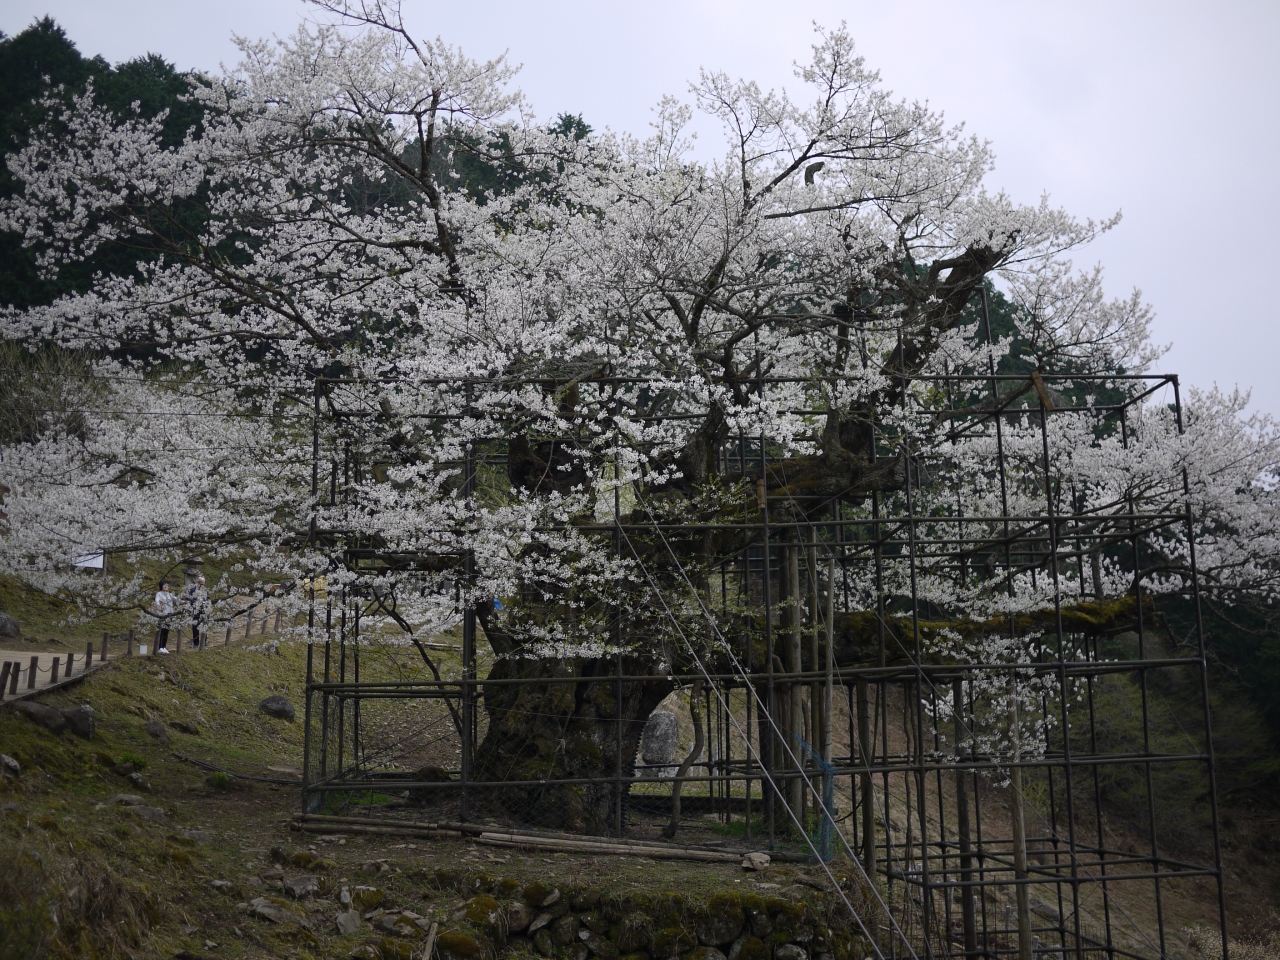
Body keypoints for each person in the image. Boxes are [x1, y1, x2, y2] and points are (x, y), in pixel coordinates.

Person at [184, 575, 210, 648]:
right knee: (195, 626)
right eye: (200, 584)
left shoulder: (205, 590)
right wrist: (195, 602)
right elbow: (188, 599)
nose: (201, 585)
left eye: (203, 584)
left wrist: (206, 602)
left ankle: (204, 641)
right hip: (195, 610)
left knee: (204, 625)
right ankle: (196, 642)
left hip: (203, 610)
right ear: (197, 582)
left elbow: (208, 598)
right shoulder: (192, 590)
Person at [152, 580, 176, 653]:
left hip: (170, 614)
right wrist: (159, 606)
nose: (166, 586)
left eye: (167, 585)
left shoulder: (169, 594)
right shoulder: (159, 594)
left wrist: (184, 602)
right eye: (164, 585)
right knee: (162, 630)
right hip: (163, 614)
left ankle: (164, 646)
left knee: (166, 631)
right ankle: (160, 647)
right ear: (161, 586)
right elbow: (157, 601)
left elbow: (176, 599)